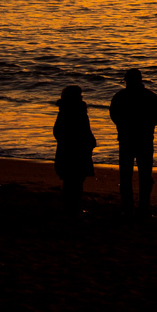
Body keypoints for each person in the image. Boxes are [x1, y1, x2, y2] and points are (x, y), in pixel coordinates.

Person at [108, 69, 157, 217]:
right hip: (144, 139)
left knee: (126, 175)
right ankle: (143, 208)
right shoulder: (150, 96)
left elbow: (114, 115)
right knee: (145, 175)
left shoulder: (120, 96)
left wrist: (123, 126)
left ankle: (128, 207)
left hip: (126, 138)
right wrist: (147, 126)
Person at [54, 86, 96, 216]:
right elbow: (84, 130)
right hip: (78, 150)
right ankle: (74, 207)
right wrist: (89, 142)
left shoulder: (64, 110)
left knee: (70, 180)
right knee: (76, 180)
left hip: (67, 149)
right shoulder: (78, 110)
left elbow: (57, 131)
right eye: (79, 95)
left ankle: (70, 206)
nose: (81, 97)